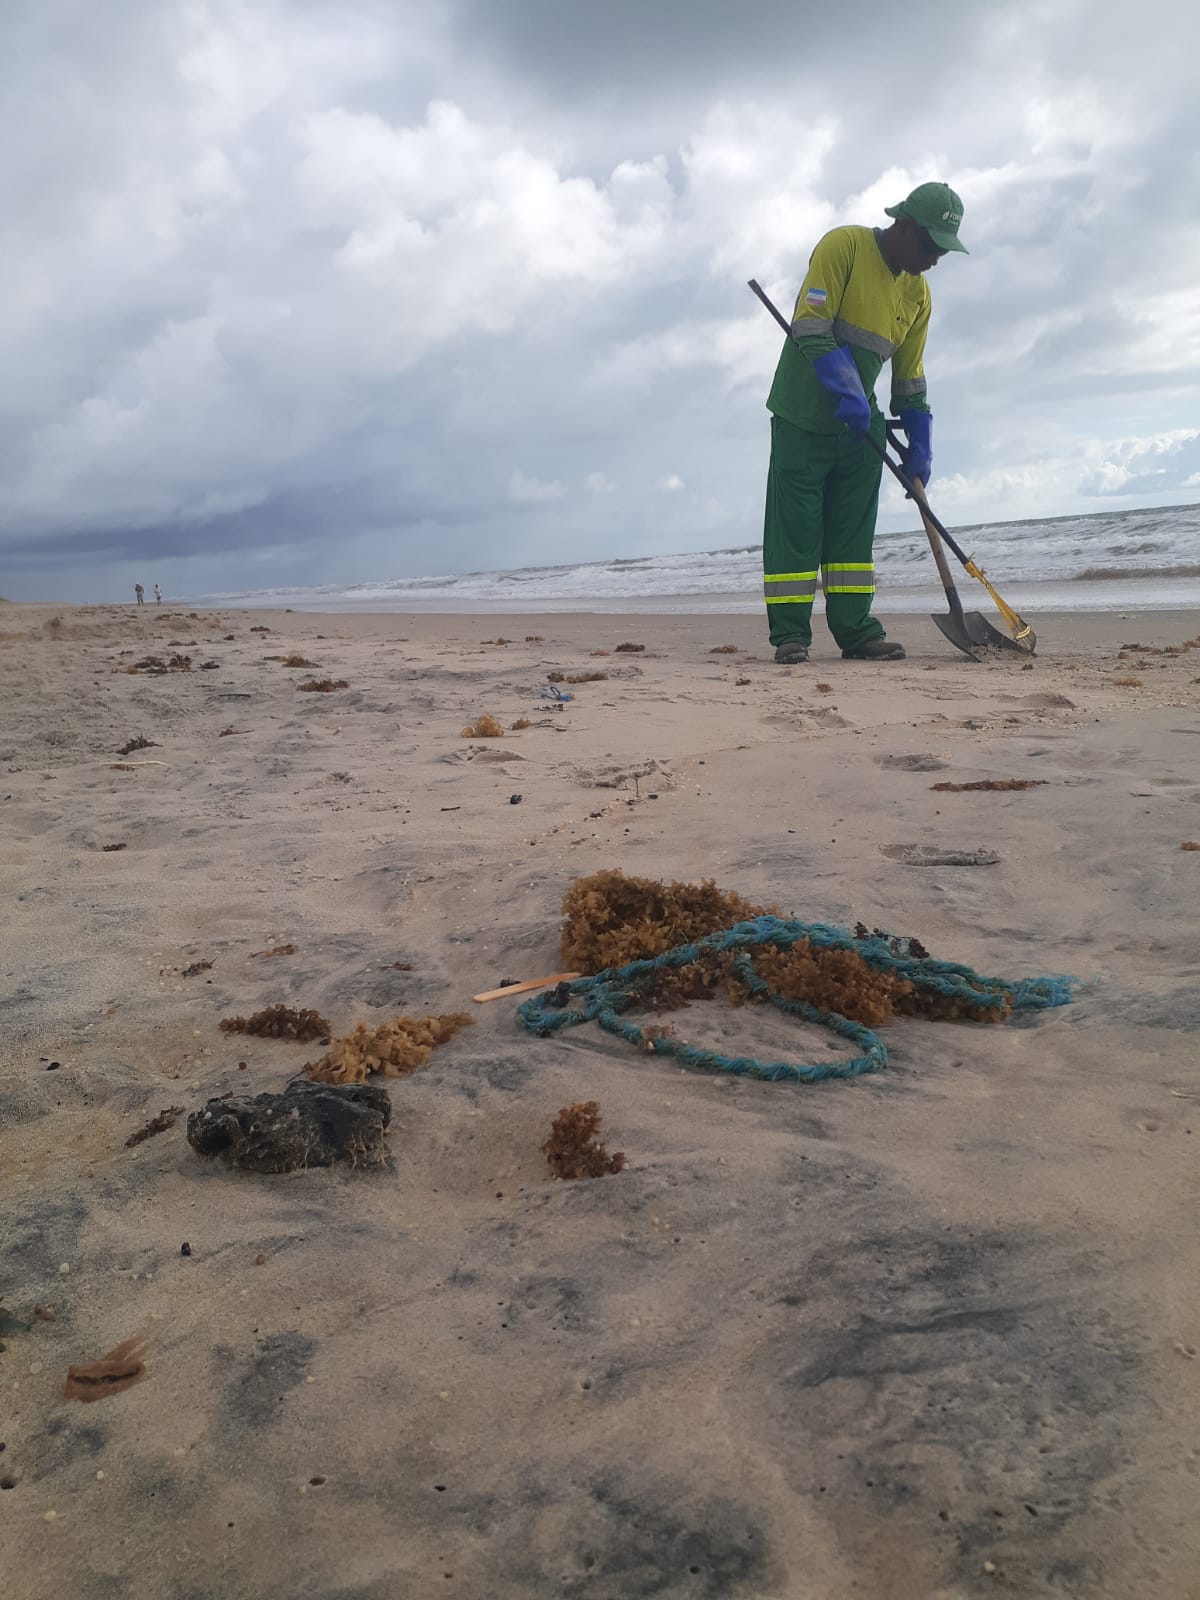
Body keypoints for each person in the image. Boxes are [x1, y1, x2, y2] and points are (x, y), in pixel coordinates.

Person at [762, 181, 967, 663]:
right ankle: (791, 635)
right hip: (802, 416)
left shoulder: (918, 294)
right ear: (903, 224)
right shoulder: (845, 246)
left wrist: (921, 435)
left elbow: (910, 374)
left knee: (852, 536)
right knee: (797, 528)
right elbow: (810, 325)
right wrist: (846, 388)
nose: (935, 258)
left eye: (943, 250)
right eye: (930, 245)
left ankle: (856, 632)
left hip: (859, 430)